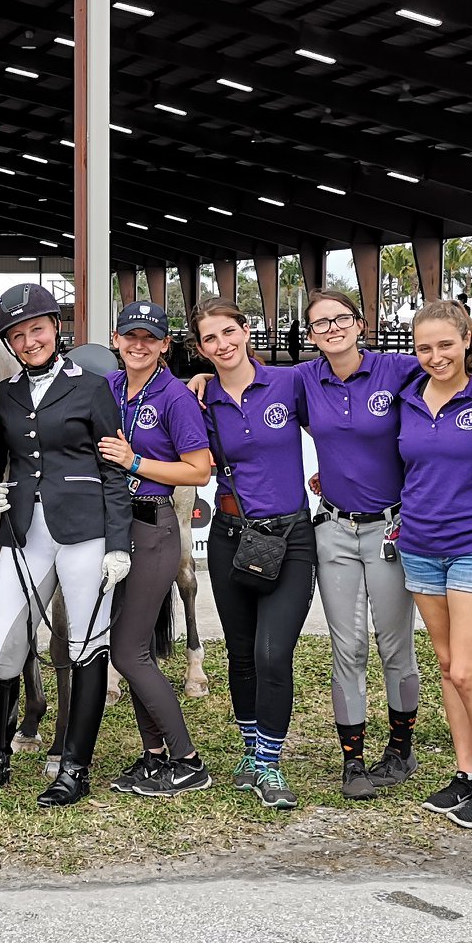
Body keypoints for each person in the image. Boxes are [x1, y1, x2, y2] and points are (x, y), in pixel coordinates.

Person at [295, 290, 472, 801]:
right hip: (336, 528)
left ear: (360, 322)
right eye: (319, 324)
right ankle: (354, 759)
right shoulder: (303, 378)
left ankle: (402, 746)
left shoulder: (398, 370)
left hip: (395, 529)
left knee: (399, 646)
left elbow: (460, 372)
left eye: (340, 319)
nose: (331, 329)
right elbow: (249, 381)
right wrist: (200, 378)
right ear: (309, 334)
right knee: (347, 646)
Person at [0, 284, 132, 808]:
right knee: (4, 646)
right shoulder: (6, 393)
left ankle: (75, 767)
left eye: (36, 329)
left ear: (55, 328)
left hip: (85, 532)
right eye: (18, 334)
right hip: (23, 533)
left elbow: (113, 468)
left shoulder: (92, 387)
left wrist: (118, 542)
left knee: (85, 644)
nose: (29, 340)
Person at [397, 300, 472, 830]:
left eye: (445, 344)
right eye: (424, 348)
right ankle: (466, 772)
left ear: (468, 339)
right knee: (448, 668)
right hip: (421, 545)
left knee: (469, 670)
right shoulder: (406, 396)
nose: (435, 356)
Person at [193, 299, 316, 812]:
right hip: (230, 536)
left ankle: (270, 762)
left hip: (291, 538)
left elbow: (340, 421)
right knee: (241, 653)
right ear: (200, 349)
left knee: (272, 652)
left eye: (229, 332)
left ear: (247, 331)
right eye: (209, 340)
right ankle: (251, 756)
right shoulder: (199, 398)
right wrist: (192, 384)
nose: (222, 345)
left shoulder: (290, 382)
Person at [93, 300, 214, 798]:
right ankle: (155, 756)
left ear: (165, 345)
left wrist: (136, 461)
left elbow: (199, 469)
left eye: (150, 337)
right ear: (117, 341)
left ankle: (188, 760)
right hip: (118, 528)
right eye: (130, 336)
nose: (138, 345)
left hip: (155, 526)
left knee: (127, 651)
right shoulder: (110, 387)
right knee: (134, 648)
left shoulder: (174, 397)